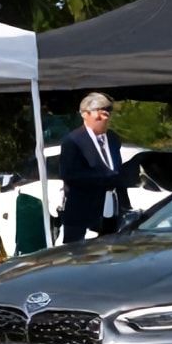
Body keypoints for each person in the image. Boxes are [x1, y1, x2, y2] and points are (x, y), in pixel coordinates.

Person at [58, 92, 131, 244]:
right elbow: (69, 174)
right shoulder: (73, 141)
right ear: (85, 115)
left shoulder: (112, 139)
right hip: (82, 209)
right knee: (77, 254)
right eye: (99, 114)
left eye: (107, 114)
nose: (104, 119)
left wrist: (126, 205)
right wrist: (105, 177)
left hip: (113, 208)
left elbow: (117, 170)